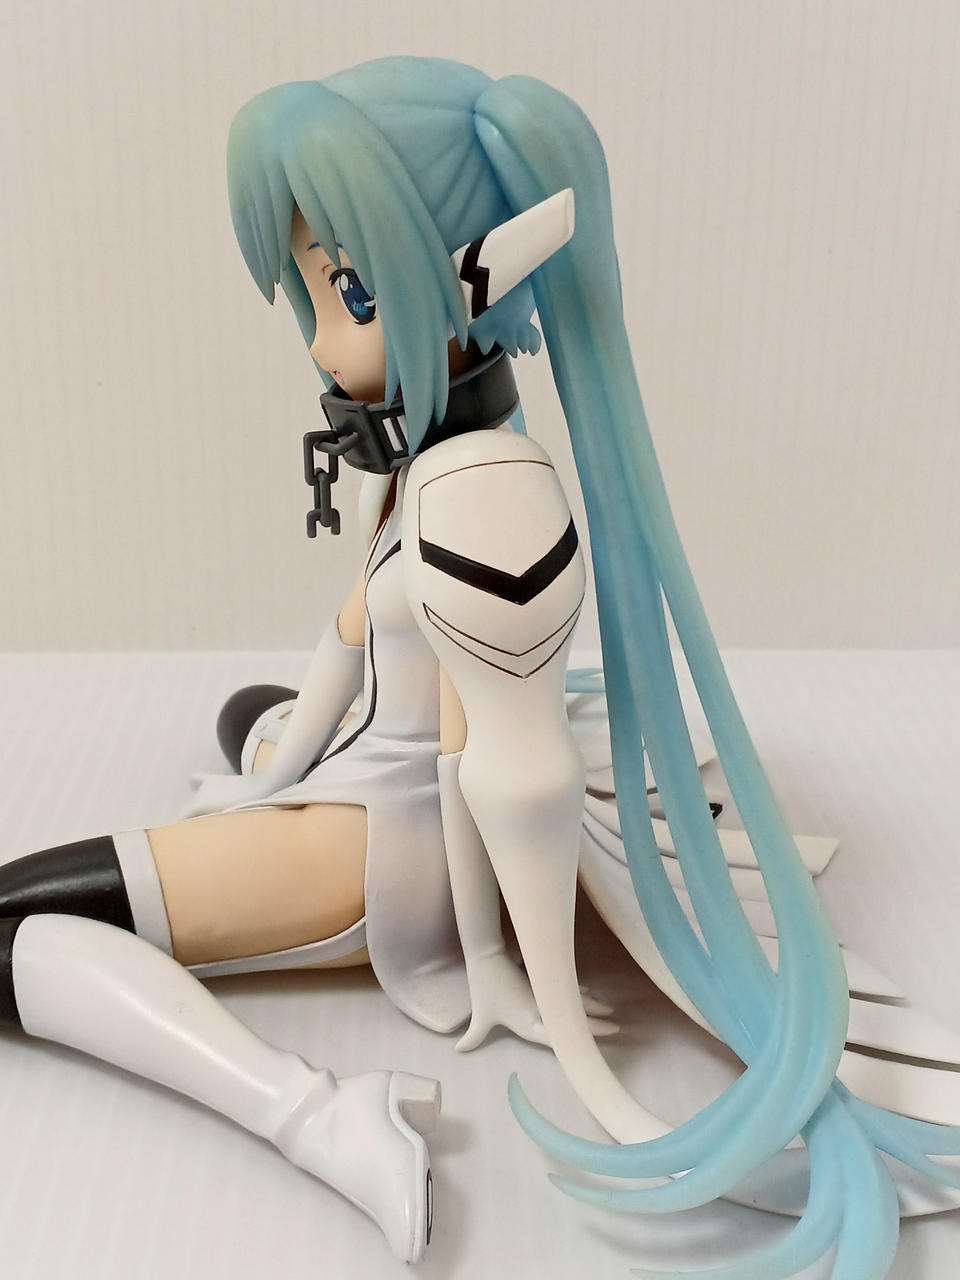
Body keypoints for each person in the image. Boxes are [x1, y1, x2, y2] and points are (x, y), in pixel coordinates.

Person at [1, 56, 958, 1277]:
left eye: (347, 290)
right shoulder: (433, 451)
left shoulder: (484, 491)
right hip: (364, 768)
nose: (319, 338)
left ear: (467, 280)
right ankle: (280, 787)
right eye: (311, 291)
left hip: (386, 845)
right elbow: (350, 640)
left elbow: (482, 762)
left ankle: (321, 1116)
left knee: (7, 930)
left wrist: (495, 958)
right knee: (250, 713)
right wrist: (271, 772)